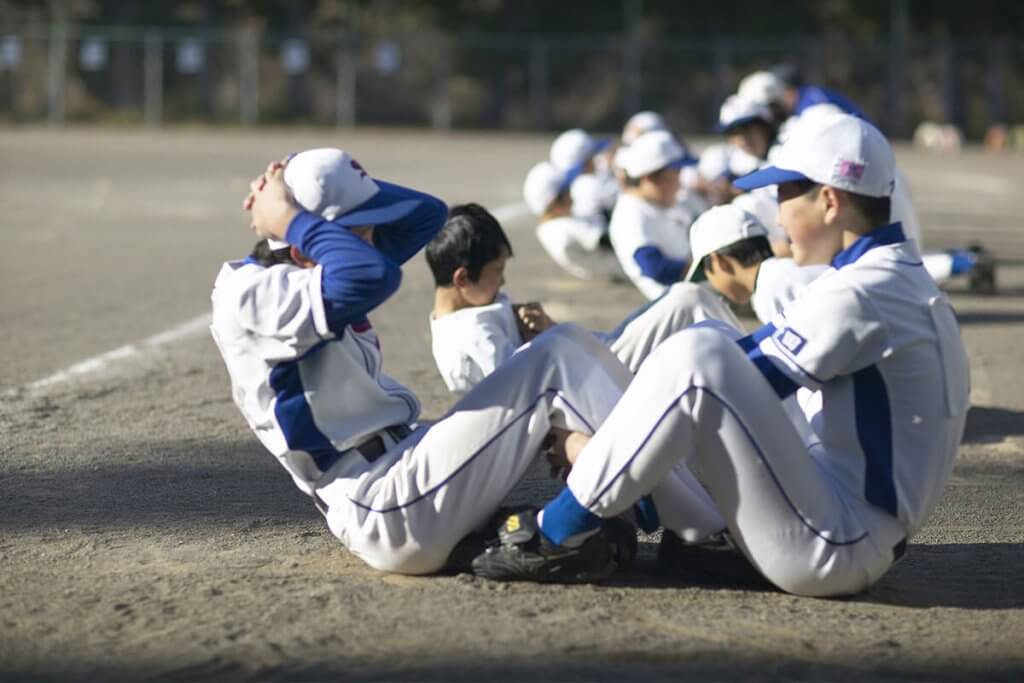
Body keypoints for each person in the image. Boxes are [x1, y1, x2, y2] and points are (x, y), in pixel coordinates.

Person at [473, 114, 970, 598]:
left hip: (838, 545)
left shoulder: (863, 293)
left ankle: (559, 534)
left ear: (831, 200)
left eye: (784, 194)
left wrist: (592, 447)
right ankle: (668, 511)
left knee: (698, 353)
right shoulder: (891, 277)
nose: (777, 214)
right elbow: (734, 378)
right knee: (709, 338)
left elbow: (707, 382)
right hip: (847, 520)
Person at [211, 147, 638, 578]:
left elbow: (428, 215)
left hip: (404, 471)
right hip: (381, 500)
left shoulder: (309, 272)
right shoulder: (257, 295)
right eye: (361, 233)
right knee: (553, 356)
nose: (376, 243)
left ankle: (637, 487)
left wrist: (301, 179)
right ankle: (659, 498)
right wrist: (289, 218)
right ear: (304, 250)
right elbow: (371, 274)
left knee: (562, 349)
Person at [427, 202, 740, 393]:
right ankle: (760, 375)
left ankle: (754, 368)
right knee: (690, 299)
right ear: (462, 278)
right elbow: (529, 395)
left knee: (686, 299)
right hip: (594, 376)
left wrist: (540, 328)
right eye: (497, 270)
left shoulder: (474, 304)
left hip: (592, 354)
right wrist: (550, 337)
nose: (503, 280)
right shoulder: (472, 337)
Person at [683, 204, 827, 324]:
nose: (712, 284)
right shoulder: (778, 275)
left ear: (719, 261)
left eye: (706, 273)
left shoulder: (773, 288)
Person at [609, 130, 696, 300]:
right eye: (673, 177)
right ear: (650, 179)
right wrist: (709, 269)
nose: (679, 184)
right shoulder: (630, 214)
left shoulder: (657, 205)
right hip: (679, 302)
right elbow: (655, 268)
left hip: (693, 293)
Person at [522, 160, 622, 282]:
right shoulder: (566, 227)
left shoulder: (545, 228)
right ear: (555, 202)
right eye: (567, 191)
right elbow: (607, 240)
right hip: (620, 268)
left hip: (600, 271)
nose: (571, 195)